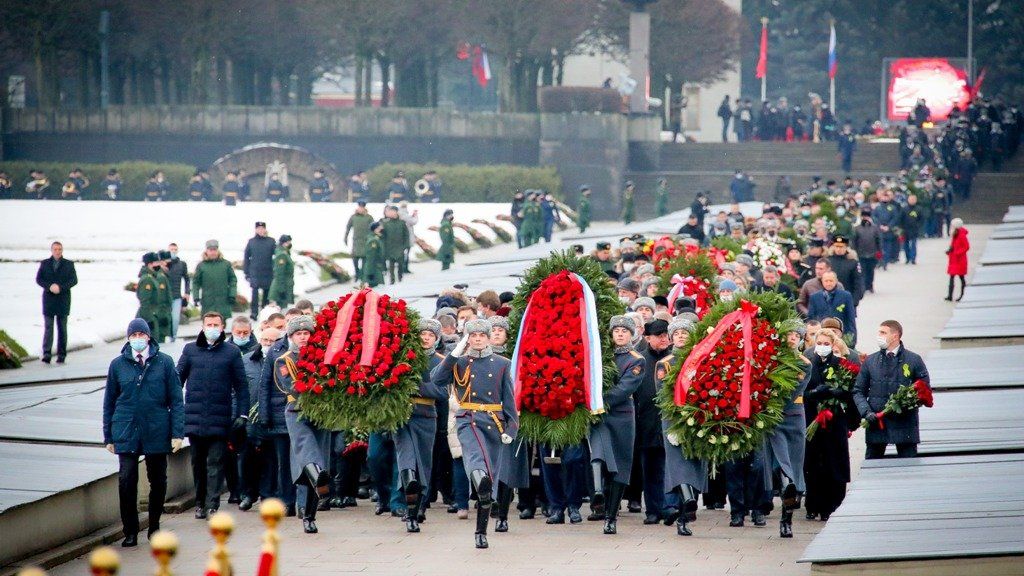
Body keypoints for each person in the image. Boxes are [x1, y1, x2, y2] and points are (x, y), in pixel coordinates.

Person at [430, 319, 518, 549]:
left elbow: (508, 398)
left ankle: (481, 531)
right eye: (473, 335)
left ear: (488, 338)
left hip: (494, 424)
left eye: (481, 335)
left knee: (489, 479)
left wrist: (511, 427)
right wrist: (454, 355)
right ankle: (481, 481)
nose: (477, 339)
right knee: (477, 463)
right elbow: (437, 379)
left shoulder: (501, 363)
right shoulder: (460, 362)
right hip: (468, 420)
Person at [103, 318, 185, 548]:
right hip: (126, 429)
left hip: (157, 429)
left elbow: (176, 400)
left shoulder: (165, 363)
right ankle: (130, 530)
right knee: (127, 479)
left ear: (148, 337)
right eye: (133, 335)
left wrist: (177, 432)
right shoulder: (118, 365)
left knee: (158, 480)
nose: (138, 339)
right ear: (128, 338)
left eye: (141, 335)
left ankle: (155, 525)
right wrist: (108, 435)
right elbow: (109, 401)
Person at [176, 312, 249, 518]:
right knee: (197, 463)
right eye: (209, 324)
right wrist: (175, 410)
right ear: (202, 326)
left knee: (215, 462)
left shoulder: (231, 352)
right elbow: (176, 380)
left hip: (220, 418)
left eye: (216, 324)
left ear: (222, 326)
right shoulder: (190, 350)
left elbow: (241, 386)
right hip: (195, 417)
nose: (212, 327)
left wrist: (242, 414)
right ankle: (200, 502)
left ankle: (212, 503)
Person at [588, 316, 644, 534]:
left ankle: (611, 517)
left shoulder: (636, 359)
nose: (620, 334)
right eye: (616, 331)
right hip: (600, 417)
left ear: (632, 334)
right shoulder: (602, 357)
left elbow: (624, 388)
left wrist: (599, 401)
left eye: (624, 331)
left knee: (620, 467)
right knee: (598, 454)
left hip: (620, 416)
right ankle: (598, 493)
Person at [394, 320, 448, 533]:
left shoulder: (440, 361)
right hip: (402, 417)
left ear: (436, 339)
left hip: (426, 417)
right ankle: (410, 511)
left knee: (423, 464)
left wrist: (417, 387)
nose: (425, 338)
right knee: (407, 461)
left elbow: (443, 393)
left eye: (430, 335)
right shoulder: (404, 357)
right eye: (422, 333)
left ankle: (420, 504)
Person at [854, 320, 930, 460]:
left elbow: (924, 389)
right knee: (873, 467)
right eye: (879, 332)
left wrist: (906, 403)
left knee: (909, 466)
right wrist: (867, 412)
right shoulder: (871, 361)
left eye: (883, 332)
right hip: (877, 424)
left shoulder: (913, 360)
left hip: (905, 425)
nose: (879, 335)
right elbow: (858, 391)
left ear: (895, 336)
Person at [804, 327, 858, 523]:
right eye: (819, 344)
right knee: (813, 464)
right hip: (813, 420)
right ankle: (813, 505)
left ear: (833, 345)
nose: (822, 347)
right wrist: (814, 393)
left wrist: (837, 394)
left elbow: (851, 392)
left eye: (826, 344)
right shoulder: (809, 365)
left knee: (834, 464)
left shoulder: (841, 365)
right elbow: (802, 392)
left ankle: (833, 506)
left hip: (835, 422)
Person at [766, 326, 809, 537]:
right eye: (789, 335)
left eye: (796, 336)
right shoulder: (771, 358)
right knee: (781, 464)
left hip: (793, 418)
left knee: (793, 464)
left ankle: (787, 517)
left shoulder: (803, 363)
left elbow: (793, 392)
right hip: (774, 419)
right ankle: (787, 486)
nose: (792, 339)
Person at [238, 326, 280, 511]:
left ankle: (267, 495)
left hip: (273, 417)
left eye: (272, 341)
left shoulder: (282, 360)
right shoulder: (246, 361)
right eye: (265, 341)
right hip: (250, 418)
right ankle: (248, 493)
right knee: (248, 458)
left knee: (270, 459)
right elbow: (238, 389)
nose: (268, 344)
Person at [632, 319, 670, 525]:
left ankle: (670, 506)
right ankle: (653, 510)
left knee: (669, 468)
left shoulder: (674, 359)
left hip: (669, 423)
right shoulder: (641, 361)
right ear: (647, 338)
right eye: (658, 335)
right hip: (646, 422)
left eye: (665, 334)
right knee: (650, 468)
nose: (663, 338)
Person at [36, 241, 78, 364]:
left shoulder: (68, 264)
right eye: (55, 249)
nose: (57, 251)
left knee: (62, 329)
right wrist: (49, 286)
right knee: (48, 328)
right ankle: (47, 354)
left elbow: (74, 280)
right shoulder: (45, 264)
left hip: (63, 300)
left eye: (59, 249)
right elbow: (39, 279)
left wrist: (61, 287)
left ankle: (61, 354)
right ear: (52, 250)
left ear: (62, 250)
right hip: (49, 300)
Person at [192, 240, 237, 320]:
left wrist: (232, 295)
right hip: (207, 302)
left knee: (222, 327)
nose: (213, 252)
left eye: (215, 250)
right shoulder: (201, 266)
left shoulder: (226, 264)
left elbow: (233, 280)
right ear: (206, 251)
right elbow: (196, 283)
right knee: (208, 325)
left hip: (223, 302)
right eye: (210, 250)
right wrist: (196, 297)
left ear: (218, 250)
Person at [807, 272, 857, 342]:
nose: (828, 283)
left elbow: (851, 318)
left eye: (831, 281)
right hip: (821, 336)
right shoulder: (814, 297)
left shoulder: (846, 296)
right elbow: (811, 317)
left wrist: (852, 337)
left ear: (836, 281)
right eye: (826, 281)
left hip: (841, 335)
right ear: (822, 281)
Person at [136, 252, 172, 344]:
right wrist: (149, 320)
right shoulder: (147, 280)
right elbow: (145, 302)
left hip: (154, 315)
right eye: (156, 263)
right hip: (148, 317)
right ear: (150, 264)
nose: (159, 265)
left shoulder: (153, 277)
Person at [244, 222, 276, 319]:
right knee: (254, 292)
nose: (261, 230)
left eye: (262, 228)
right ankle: (254, 312)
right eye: (259, 228)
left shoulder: (271, 241)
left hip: (267, 271)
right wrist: (246, 272)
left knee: (267, 292)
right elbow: (246, 257)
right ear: (256, 230)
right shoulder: (251, 242)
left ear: (265, 229)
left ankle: (264, 311)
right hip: (255, 271)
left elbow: (276, 255)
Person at [827, 237, 864, 306]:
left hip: (848, 299)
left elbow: (857, 282)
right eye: (836, 246)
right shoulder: (828, 261)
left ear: (846, 248)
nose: (838, 249)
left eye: (841, 247)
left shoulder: (853, 262)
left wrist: (854, 301)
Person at [165, 244, 190, 342]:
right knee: (166, 318)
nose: (173, 251)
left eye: (175, 249)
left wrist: (187, 292)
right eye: (171, 249)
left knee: (175, 319)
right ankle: (164, 336)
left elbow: (187, 279)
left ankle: (173, 337)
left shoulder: (182, 264)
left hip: (177, 296)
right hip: (165, 297)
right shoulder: (164, 264)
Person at [852, 208, 881, 293]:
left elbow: (878, 240)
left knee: (870, 271)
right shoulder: (857, 228)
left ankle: (870, 285)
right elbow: (854, 241)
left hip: (872, 253)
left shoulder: (874, 228)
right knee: (862, 271)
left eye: (867, 217)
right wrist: (855, 252)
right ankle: (863, 286)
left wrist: (879, 251)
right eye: (864, 217)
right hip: (861, 253)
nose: (865, 218)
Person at [345, 201, 373, 280]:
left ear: (364, 208)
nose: (361, 209)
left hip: (365, 241)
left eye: (362, 207)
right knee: (355, 259)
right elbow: (348, 227)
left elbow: (373, 229)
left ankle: (362, 275)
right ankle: (357, 274)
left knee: (364, 259)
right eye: (359, 207)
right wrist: (345, 237)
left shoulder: (369, 217)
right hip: (356, 241)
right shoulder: (353, 217)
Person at [382, 205, 409, 284]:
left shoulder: (402, 223)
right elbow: (383, 236)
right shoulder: (386, 223)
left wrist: (405, 246)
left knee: (400, 265)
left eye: (393, 211)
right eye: (390, 211)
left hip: (400, 247)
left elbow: (406, 235)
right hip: (390, 247)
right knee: (391, 265)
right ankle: (392, 280)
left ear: (396, 212)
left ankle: (400, 278)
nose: (391, 213)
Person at [945, 218, 970, 301]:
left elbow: (966, 247)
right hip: (954, 260)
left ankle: (963, 295)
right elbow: (953, 245)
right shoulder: (955, 234)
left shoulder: (961, 235)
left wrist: (957, 252)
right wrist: (950, 250)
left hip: (960, 260)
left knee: (961, 277)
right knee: (952, 277)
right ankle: (950, 295)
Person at [269, 235, 295, 308]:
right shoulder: (282, 255)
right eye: (288, 242)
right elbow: (279, 273)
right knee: (282, 310)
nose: (290, 244)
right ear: (284, 243)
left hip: (285, 285)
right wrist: (281, 290)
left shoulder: (285, 253)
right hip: (282, 286)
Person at [900, 195, 924, 265]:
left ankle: (913, 258)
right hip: (905, 229)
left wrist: (918, 226)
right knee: (906, 245)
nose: (912, 201)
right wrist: (901, 228)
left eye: (913, 199)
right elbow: (901, 218)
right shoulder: (904, 209)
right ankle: (907, 258)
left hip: (914, 229)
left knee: (913, 244)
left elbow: (922, 219)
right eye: (911, 199)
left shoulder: (919, 209)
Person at [362, 222, 385, 287]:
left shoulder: (376, 238)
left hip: (376, 269)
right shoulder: (373, 240)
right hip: (374, 272)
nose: (381, 229)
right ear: (375, 229)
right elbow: (370, 258)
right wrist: (370, 273)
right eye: (379, 228)